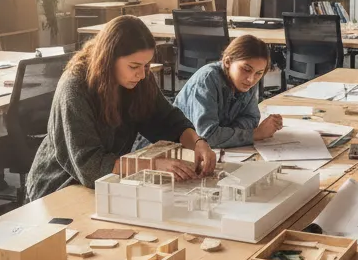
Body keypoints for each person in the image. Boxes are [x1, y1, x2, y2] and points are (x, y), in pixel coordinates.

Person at [26, 15, 216, 199]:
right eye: (134, 66)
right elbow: (90, 166)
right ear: (108, 59)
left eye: (147, 66)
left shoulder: (139, 78)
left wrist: (198, 143)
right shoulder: (75, 87)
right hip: (60, 186)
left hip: (106, 180)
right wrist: (153, 165)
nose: (142, 75)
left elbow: (167, 120)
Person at [173, 35, 283, 149]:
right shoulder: (207, 80)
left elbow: (252, 119)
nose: (251, 79)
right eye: (246, 69)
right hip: (177, 149)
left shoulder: (245, 82)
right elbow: (207, 136)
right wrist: (255, 134)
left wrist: (227, 133)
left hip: (214, 150)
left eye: (259, 73)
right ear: (227, 62)